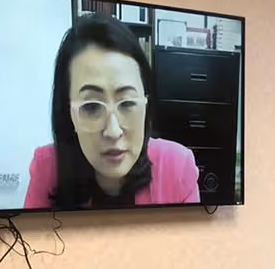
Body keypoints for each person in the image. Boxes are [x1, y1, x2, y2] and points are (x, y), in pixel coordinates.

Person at [23, 14, 200, 209]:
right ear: (69, 114)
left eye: (127, 103)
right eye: (91, 107)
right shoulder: (47, 168)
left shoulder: (177, 166)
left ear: (145, 105)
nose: (113, 131)